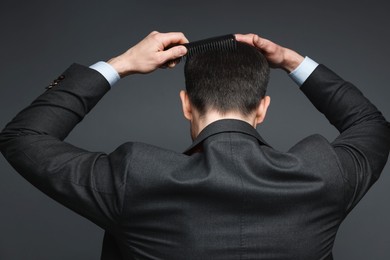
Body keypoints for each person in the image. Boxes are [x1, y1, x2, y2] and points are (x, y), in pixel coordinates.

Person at [0, 31, 389, 260]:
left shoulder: (134, 179)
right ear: (263, 109)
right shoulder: (324, 175)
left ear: (186, 104)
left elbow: (23, 137)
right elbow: (371, 124)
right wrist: (291, 61)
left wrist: (119, 64)